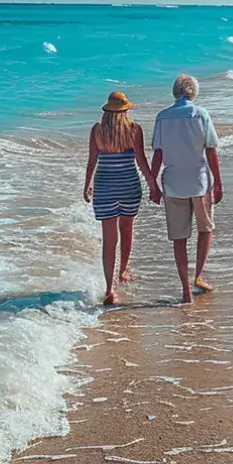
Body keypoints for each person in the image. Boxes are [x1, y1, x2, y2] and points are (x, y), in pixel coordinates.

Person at [150, 74, 223, 304]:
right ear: (194, 93)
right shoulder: (201, 114)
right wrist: (219, 182)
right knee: (205, 229)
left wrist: (152, 183)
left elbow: (158, 154)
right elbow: (211, 150)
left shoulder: (162, 117)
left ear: (174, 93)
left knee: (179, 238)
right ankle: (198, 276)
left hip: (172, 183)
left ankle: (185, 290)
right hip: (199, 181)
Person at [83, 91, 161, 306]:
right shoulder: (133, 130)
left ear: (107, 111)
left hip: (105, 190)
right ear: (125, 111)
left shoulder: (97, 131)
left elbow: (92, 162)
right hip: (129, 188)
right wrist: (153, 184)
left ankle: (109, 289)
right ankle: (123, 271)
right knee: (126, 229)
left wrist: (87, 185)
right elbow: (142, 161)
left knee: (109, 241)